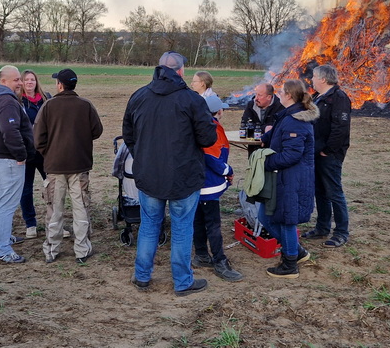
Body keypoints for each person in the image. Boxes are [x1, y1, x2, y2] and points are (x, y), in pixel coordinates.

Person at [123, 51, 217, 296]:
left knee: (149, 225)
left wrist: (143, 157)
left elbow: (129, 136)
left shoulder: (139, 96)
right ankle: (182, 281)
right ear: (181, 71)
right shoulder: (192, 100)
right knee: (181, 228)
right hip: (182, 177)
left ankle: (143, 276)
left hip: (153, 175)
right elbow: (208, 138)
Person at [34, 69, 103, 264]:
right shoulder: (85, 105)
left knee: (54, 208)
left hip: (55, 167)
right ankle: (82, 249)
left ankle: (52, 250)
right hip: (80, 166)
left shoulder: (48, 106)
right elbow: (97, 130)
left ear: (60, 85)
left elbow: (38, 138)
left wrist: (50, 153)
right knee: (81, 207)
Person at [257, 79, 319, 278]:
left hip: (293, 179)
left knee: (286, 220)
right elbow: (278, 135)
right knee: (265, 217)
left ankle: (290, 263)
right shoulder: (287, 116)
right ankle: (296, 251)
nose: (278, 94)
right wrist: (264, 139)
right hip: (283, 178)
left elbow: (292, 154)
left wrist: (265, 163)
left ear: (289, 96)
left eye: (281, 92)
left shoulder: (296, 121)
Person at [0, 65, 34, 264]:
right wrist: (21, 154)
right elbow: (10, 131)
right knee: (6, 203)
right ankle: (2, 248)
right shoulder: (6, 101)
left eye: (20, 79)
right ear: (4, 81)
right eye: (16, 80)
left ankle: (2, 236)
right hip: (6, 159)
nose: (20, 83)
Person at [192, 94, 243, 282]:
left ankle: (201, 255)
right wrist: (227, 170)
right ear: (219, 111)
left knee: (198, 220)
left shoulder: (196, 124)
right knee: (213, 224)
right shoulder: (211, 128)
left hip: (196, 184)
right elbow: (212, 157)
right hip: (208, 185)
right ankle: (219, 261)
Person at [302, 64, 352, 248]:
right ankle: (322, 227)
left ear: (323, 79)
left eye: (314, 76)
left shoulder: (338, 98)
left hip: (329, 155)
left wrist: (328, 150)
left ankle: (341, 232)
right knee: (320, 192)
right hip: (316, 152)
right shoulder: (319, 97)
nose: (312, 79)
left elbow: (340, 129)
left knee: (334, 192)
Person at [19, 69, 51, 239]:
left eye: (32, 80)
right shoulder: (18, 101)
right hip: (26, 152)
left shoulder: (46, 99)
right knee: (26, 188)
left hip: (45, 151)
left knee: (52, 186)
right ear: (22, 83)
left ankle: (53, 221)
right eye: (26, 80)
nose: (30, 83)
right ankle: (30, 223)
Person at [240, 82, 285, 155]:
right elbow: (244, 124)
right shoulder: (251, 105)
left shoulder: (280, 106)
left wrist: (256, 128)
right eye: (256, 94)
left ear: (269, 97)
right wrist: (265, 128)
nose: (256, 98)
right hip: (254, 149)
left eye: (259, 95)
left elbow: (278, 127)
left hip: (273, 150)